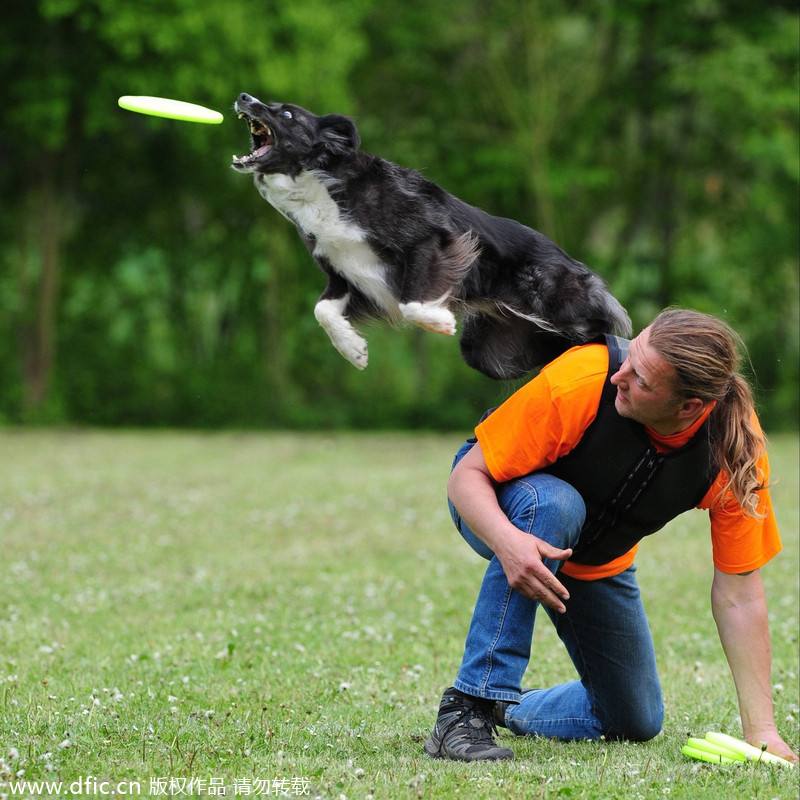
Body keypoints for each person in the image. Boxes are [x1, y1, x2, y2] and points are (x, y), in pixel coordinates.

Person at [424, 308, 798, 764]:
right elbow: (466, 476)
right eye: (630, 357)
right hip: (499, 505)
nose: (620, 375)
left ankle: (513, 708)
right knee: (556, 504)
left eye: (641, 379)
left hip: (597, 562)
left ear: (688, 408)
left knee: (633, 720)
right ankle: (468, 709)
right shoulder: (584, 378)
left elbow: (740, 593)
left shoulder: (734, 453)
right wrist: (507, 541)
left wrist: (761, 731)